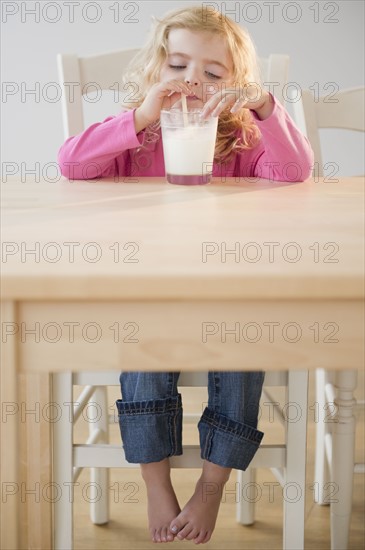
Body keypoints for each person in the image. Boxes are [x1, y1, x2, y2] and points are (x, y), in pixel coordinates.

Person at [58, 6, 314, 545]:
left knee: (246, 352)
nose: (193, 80)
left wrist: (264, 107)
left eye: (214, 73)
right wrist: (140, 119)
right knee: (142, 359)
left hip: (227, 293)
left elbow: (294, 173)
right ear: (156, 69)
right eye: (177, 65)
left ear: (236, 84)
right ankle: (155, 480)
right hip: (149, 291)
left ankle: (213, 484)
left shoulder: (242, 142)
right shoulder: (133, 137)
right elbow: (72, 166)